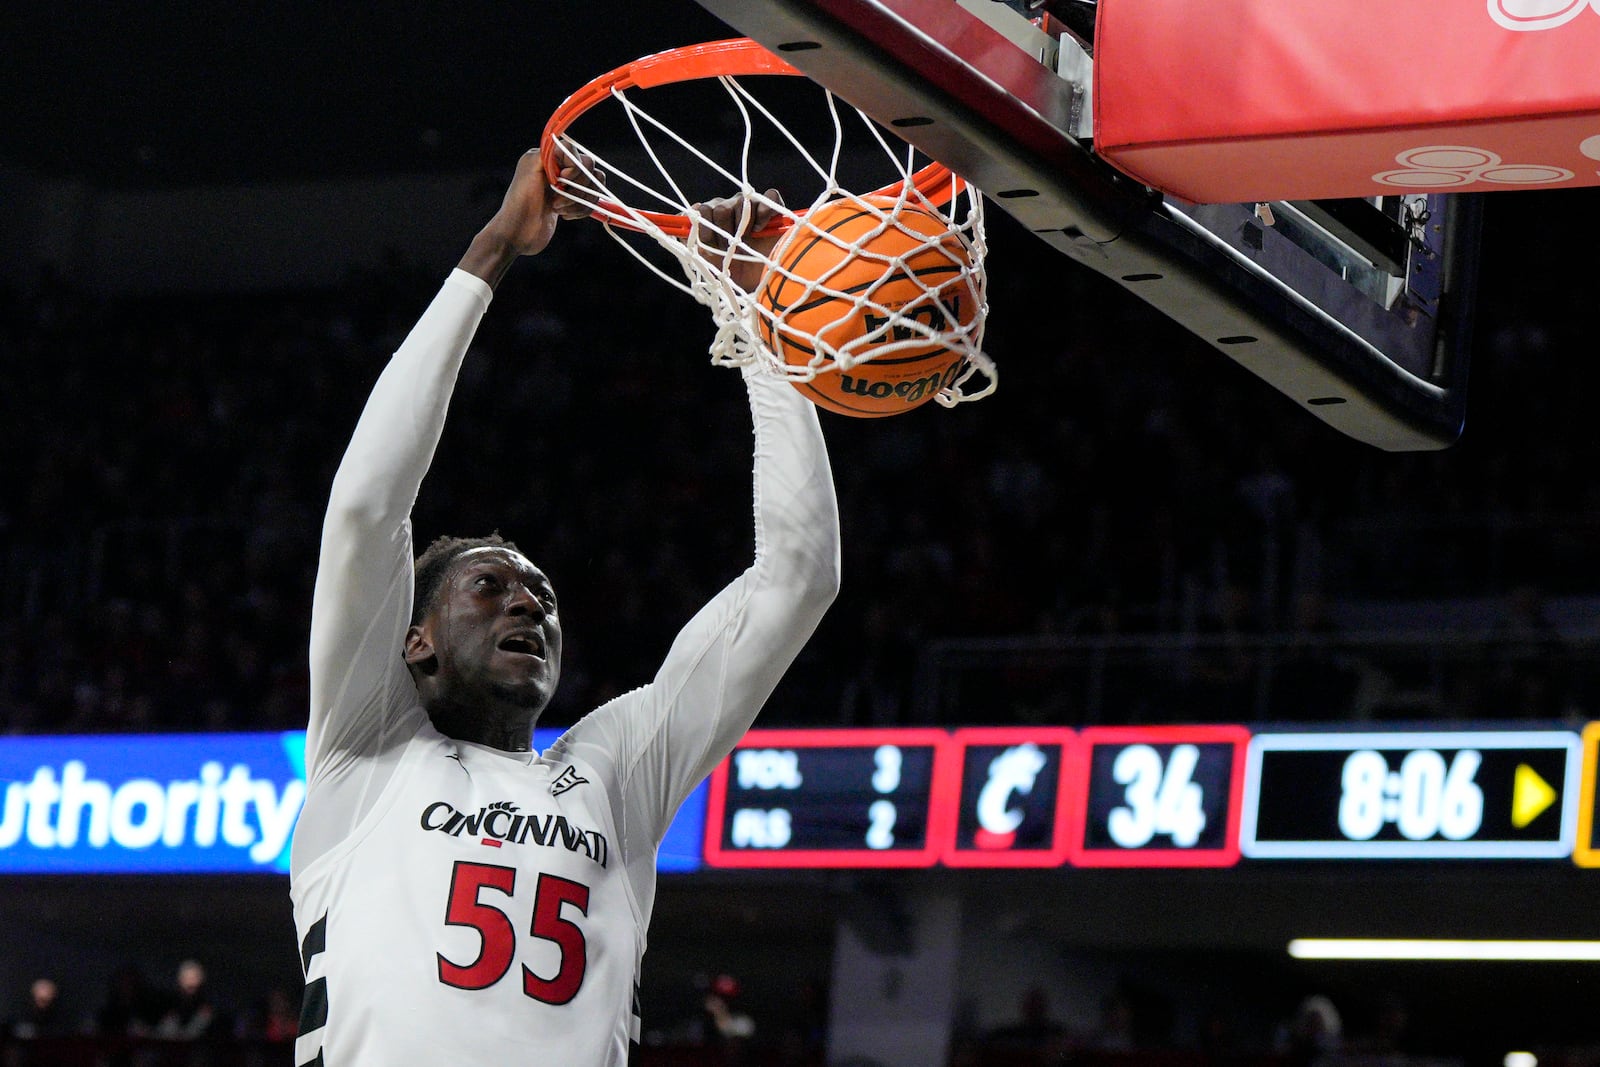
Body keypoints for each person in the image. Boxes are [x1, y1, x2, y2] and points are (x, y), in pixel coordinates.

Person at [288, 146, 841, 1067]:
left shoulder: (614, 773)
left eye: (542, 593)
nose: (530, 603)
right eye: (490, 585)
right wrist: (492, 253)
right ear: (413, 639)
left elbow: (798, 575)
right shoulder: (365, 748)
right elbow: (365, 507)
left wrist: (757, 319)